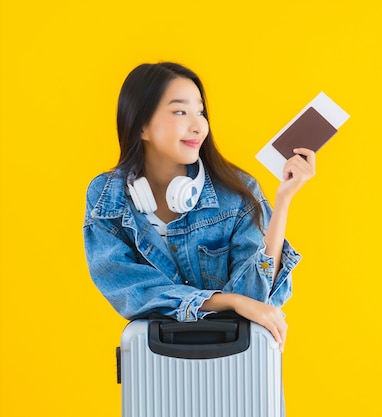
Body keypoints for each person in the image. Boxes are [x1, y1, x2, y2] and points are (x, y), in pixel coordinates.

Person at [83, 62, 315, 353]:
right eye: (180, 111)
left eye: (200, 112)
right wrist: (228, 301)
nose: (198, 125)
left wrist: (283, 201)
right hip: (160, 366)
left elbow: (257, 298)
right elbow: (129, 290)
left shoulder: (236, 192)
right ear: (141, 125)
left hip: (238, 363)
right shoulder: (108, 196)